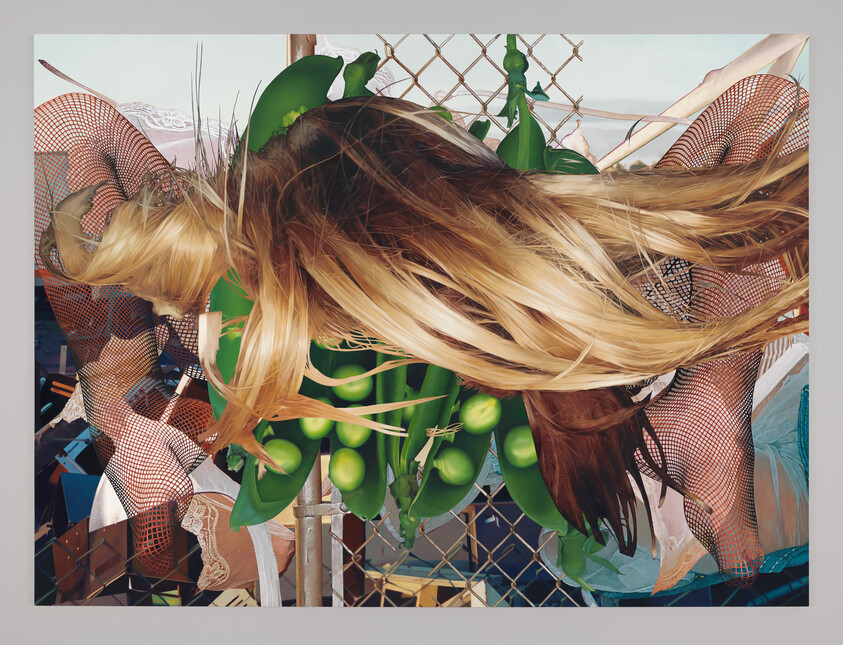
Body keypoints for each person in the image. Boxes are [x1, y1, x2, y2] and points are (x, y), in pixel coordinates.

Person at [37, 73, 808, 584]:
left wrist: (715, 396)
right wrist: (120, 404)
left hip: (460, 506)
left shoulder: (596, 275)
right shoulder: (212, 256)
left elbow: (770, 108)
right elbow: (69, 123)